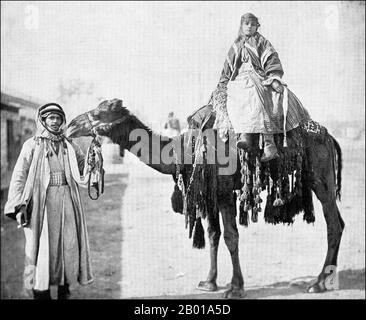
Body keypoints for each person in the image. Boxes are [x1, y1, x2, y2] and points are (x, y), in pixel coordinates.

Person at [4, 103, 94, 299]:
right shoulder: (32, 145)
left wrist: (94, 159)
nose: (54, 121)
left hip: (67, 200)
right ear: (43, 120)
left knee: (67, 243)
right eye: (50, 118)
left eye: (57, 118)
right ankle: (40, 289)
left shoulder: (68, 145)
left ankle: (64, 286)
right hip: (41, 203)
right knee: (42, 247)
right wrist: (18, 205)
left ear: (62, 121)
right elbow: (19, 175)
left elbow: (83, 166)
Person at [214, 13, 310, 161]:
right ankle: (244, 135)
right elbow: (228, 67)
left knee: (258, 97)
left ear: (256, 27)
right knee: (234, 98)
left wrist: (274, 79)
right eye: (246, 24)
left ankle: (269, 144)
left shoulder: (262, 42)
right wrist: (222, 85)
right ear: (242, 26)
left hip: (258, 76)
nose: (249, 27)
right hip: (239, 79)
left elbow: (271, 60)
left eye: (252, 24)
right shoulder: (236, 45)